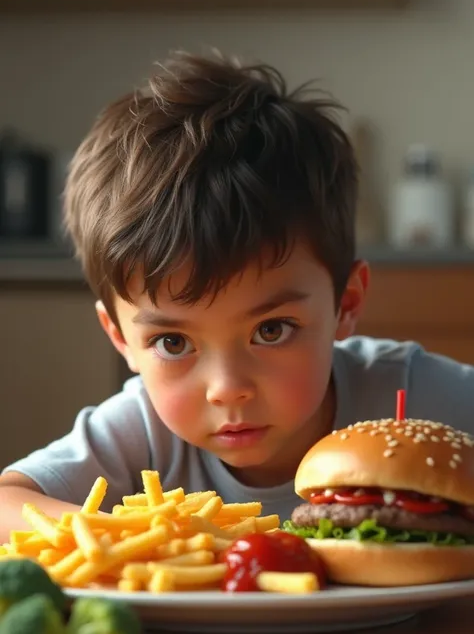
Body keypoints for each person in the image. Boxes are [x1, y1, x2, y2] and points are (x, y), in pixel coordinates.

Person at [1, 51, 474, 541]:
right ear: (120, 338)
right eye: (173, 343)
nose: (226, 388)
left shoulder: (411, 390)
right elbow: (7, 502)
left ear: (346, 304)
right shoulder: (141, 428)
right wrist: (133, 536)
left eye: (271, 330)